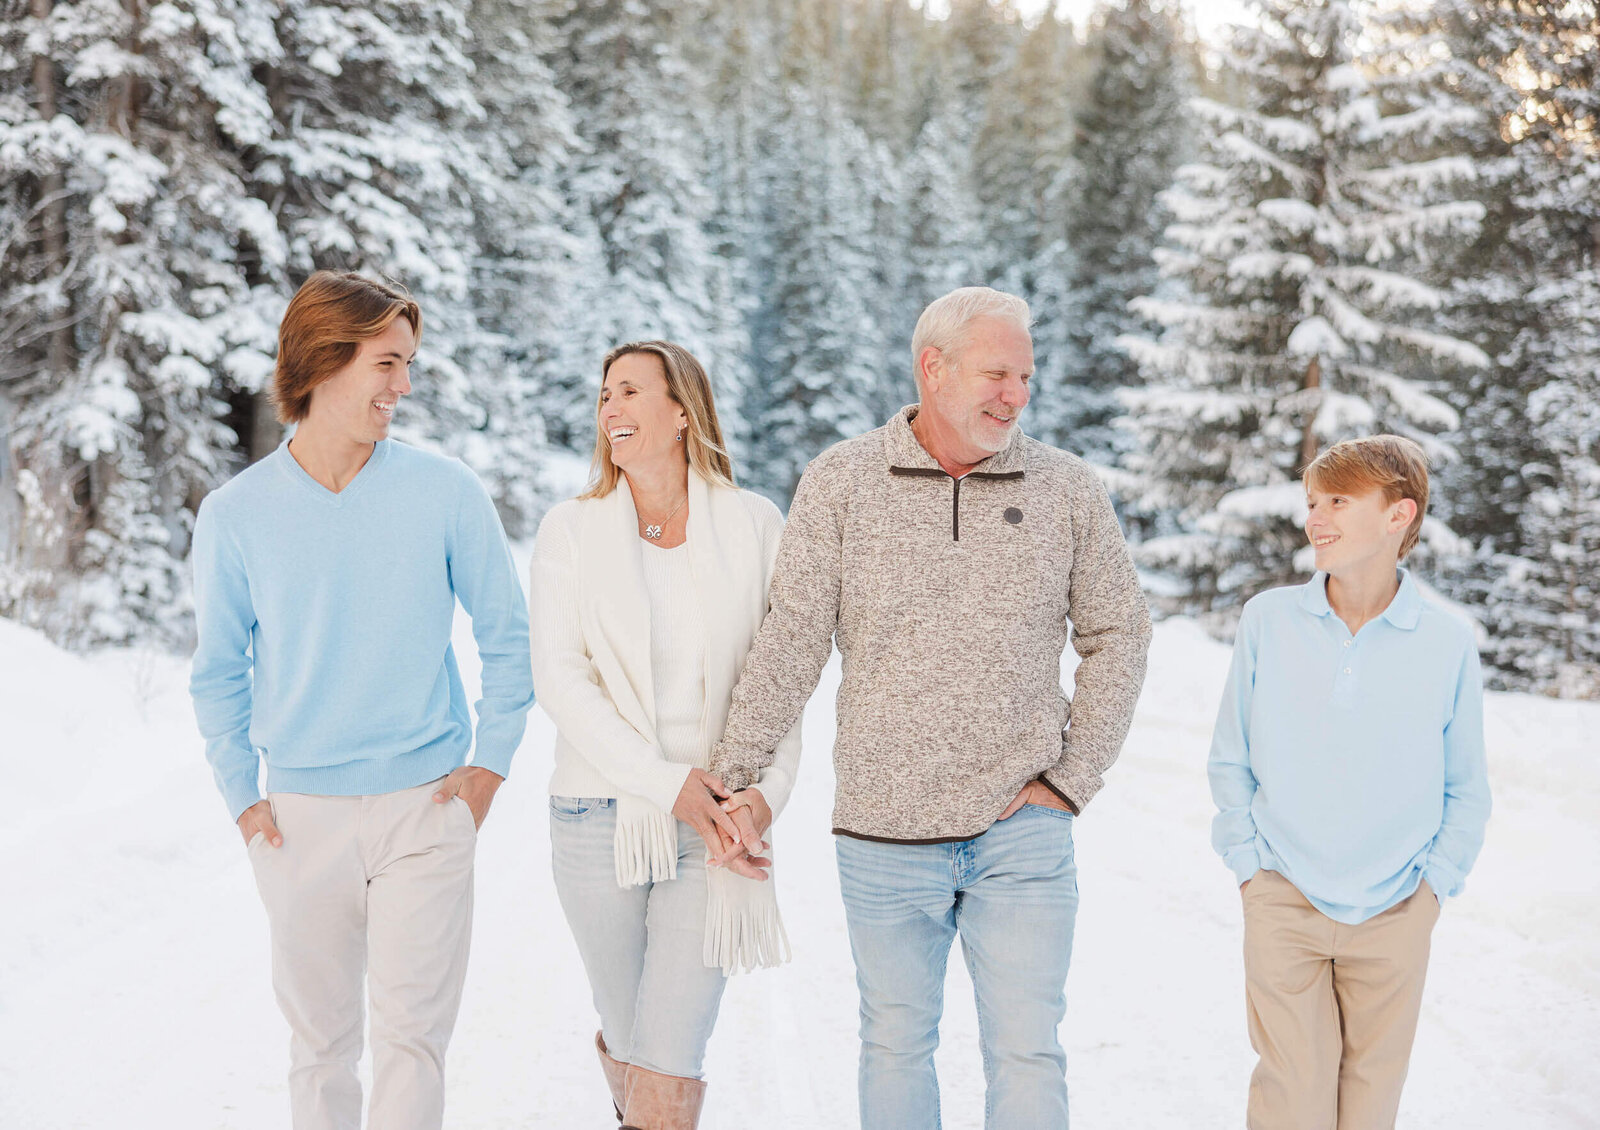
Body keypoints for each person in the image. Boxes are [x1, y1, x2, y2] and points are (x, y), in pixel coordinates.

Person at [708, 287, 1152, 1129]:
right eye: (996, 373)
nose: (1015, 394)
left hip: (1020, 828)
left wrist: (1070, 781)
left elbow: (1119, 633)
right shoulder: (841, 481)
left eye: (1025, 375)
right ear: (933, 367)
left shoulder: (1067, 490)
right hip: (883, 833)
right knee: (895, 1044)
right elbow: (794, 638)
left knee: (1027, 1050)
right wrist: (734, 777)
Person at [189, 271, 534, 1130]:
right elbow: (218, 669)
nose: (403, 387)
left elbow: (507, 635)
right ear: (322, 361)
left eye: (407, 363)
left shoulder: (445, 491)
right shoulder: (236, 515)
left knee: (413, 1042)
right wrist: (243, 798)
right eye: (387, 364)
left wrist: (489, 765)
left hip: (425, 809)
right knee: (320, 1049)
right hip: (299, 819)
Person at [529, 340, 801, 1129]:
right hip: (595, 819)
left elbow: (780, 677)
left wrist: (763, 799)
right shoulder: (570, 530)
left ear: (682, 411)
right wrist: (663, 782)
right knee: (633, 1041)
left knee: (669, 1053)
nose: (610, 408)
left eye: (630, 392)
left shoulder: (754, 525)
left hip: (713, 824)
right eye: (604, 394)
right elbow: (562, 679)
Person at [1207, 434, 1491, 1130]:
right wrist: (1251, 871)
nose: (1315, 517)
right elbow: (1229, 758)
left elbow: (1467, 789)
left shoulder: (1446, 643)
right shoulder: (1268, 621)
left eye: (1338, 500)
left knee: (1369, 1110)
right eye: (1311, 501)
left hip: (1396, 911)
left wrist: (1431, 891)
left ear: (1399, 515)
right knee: (1292, 1103)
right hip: (1285, 900)